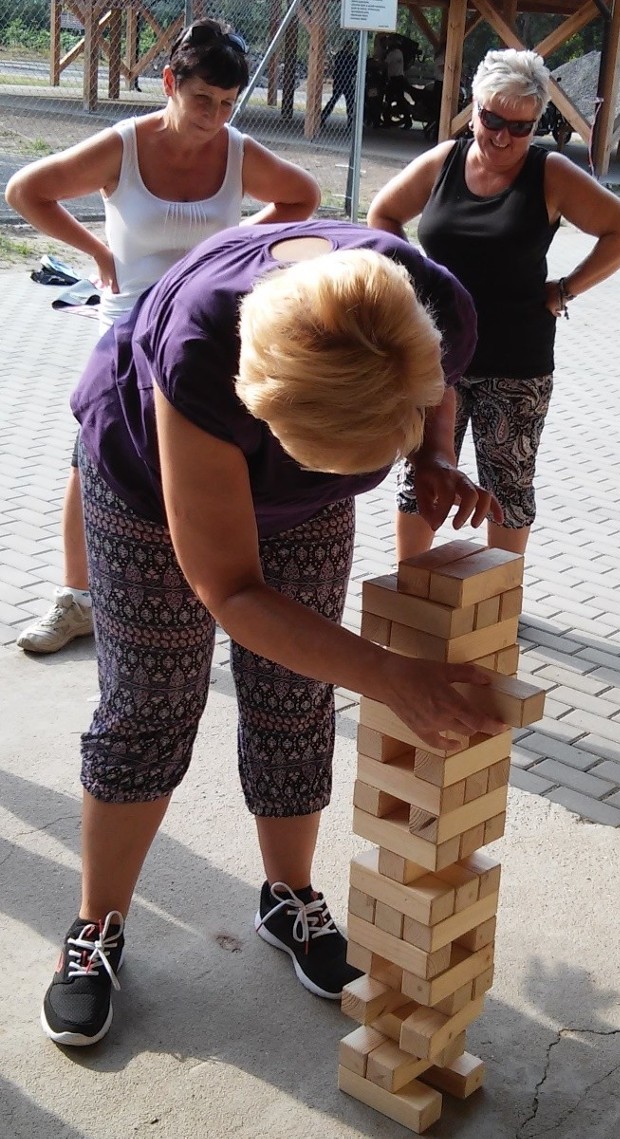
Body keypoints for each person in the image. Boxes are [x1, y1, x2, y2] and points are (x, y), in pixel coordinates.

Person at [40, 219, 506, 1049]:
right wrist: (392, 675)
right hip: (152, 491)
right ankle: (96, 925)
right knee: (151, 704)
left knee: (297, 694)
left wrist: (431, 453)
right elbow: (230, 588)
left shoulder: (429, 303)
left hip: (301, 511)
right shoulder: (200, 350)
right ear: (265, 402)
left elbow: (445, 387)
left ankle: (287, 897)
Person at [5, 18, 320, 655]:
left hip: (203, 332)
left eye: (228, 104)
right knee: (93, 454)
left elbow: (302, 198)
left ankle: (213, 592)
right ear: (170, 82)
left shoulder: (236, 149)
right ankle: (77, 599)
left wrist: (235, 249)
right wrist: (96, 251)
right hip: (127, 331)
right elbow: (26, 190)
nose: (214, 117)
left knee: (215, 456)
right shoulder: (123, 145)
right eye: (202, 99)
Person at [367, 48, 620, 559]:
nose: (502, 136)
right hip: (437, 356)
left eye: (521, 127)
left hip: (515, 364)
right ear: (474, 109)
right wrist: (410, 284)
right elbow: (382, 215)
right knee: (421, 473)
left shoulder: (550, 173)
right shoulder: (444, 162)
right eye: (492, 119)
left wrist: (565, 289)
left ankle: (500, 601)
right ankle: (409, 592)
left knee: (509, 485)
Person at [321, 39, 357, 129]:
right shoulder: (346, 56)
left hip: (343, 80)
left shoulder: (343, 56)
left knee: (348, 102)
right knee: (339, 100)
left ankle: (350, 121)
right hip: (343, 80)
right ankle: (323, 117)